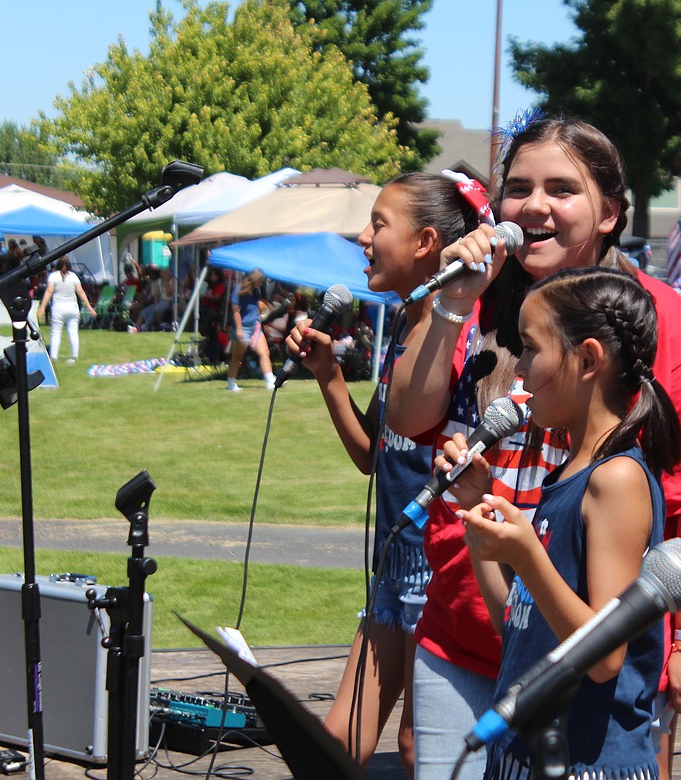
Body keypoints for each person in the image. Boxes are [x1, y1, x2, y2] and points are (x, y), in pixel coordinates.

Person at [385, 117, 681, 779]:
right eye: (519, 188)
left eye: (562, 189)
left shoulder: (653, 316)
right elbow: (411, 419)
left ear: (609, 212)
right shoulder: (477, 298)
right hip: (467, 629)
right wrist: (451, 304)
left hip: (586, 651)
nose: (534, 207)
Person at [286, 171, 483, 773]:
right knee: (339, 738)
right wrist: (329, 377)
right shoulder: (405, 327)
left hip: (440, 562)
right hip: (394, 563)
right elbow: (376, 454)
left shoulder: (463, 336)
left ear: (426, 243)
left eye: (378, 224)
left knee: (418, 744)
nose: (363, 237)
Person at [448, 266, 679, 778]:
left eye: (531, 349)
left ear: (589, 358)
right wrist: (478, 516)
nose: (521, 370)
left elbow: (604, 657)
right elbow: (517, 624)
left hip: (587, 763)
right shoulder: (568, 474)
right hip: (524, 753)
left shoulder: (616, 479)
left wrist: (528, 554)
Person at [38, 256, 97, 365]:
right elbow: (80, 291)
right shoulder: (74, 276)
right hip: (72, 307)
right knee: (73, 332)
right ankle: (74, 356)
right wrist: (89, 307)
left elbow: (49, 291)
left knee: (56, 333)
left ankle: (53, 356)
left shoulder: (53, 276)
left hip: (58, 307)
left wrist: (42, 307)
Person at [226, 268, 276, 392]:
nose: (261, 284)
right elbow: (236, 311)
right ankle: (231, 383)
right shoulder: (238, 290)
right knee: (237, 357)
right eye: (260, 281)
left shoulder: (256, 290)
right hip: (243, 328)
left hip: (256, 327)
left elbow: (255, 306)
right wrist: (239, 330)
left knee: (264, 352)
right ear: (254, 280)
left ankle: (270, 381)